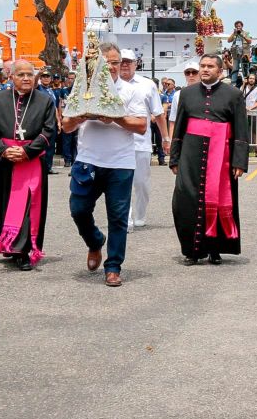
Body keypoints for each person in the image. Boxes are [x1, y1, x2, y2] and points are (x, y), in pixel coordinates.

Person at [61, 42, 148, 287]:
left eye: (115, 62)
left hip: (120, 163)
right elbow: (66, 126)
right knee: (78, 210)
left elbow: (141, 126)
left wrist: (115, 117)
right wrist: (82, 115)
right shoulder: (82, 89)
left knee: (118, 218)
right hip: (87, 161)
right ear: (94, 64)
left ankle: (113, 267)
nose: (110, 67)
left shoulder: (131, 91)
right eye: (105, 62)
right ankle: (95, 241)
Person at [169, 54, 249, 265]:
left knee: (219, 199)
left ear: (220, 71)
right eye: (202, 66)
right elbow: (179, 127)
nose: (205, 69)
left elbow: (241, 129)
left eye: (210, 66)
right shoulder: (186, 93)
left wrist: (239, 162)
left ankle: (215, 249)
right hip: (190, 155)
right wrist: (174, 158)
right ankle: (192, 250)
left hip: (221, 156)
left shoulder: (233, 94)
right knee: (185, 201)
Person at [0, 60, 56, 271]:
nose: (26, 78)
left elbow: (49, 131)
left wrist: (27, 151)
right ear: (11, 77)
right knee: (5, 203)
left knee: (28, 207)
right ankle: (8, 244)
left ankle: (23, 250)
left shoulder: (45, 100)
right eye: (21, 74)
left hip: (31, 160)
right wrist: (3, 150)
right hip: (5, 160)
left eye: (29, 74)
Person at [120, 49, 169, 232]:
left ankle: (140, 215)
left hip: (141, 142)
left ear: (136, 64)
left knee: (141, 183)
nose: (125, 65)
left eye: (128, 62)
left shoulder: (147, 85)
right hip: (117, 143)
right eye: (122, 61)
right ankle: (126, 219)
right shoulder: (109, 83)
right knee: (121, 183)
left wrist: (165, 138)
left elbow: (159, 113)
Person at [36, 69, 60, 174]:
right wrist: (38, 74)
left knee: (51, 146)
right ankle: (40, 167)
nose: (46, 78)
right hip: (41, 121)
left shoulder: (51, 91)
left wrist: (58, 121)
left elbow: (55, 107)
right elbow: (34, 83)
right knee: (42, 145)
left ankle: (48, 167)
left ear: (50, 79)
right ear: (41, 79)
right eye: (44, 77)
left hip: (52, 121)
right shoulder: (38, 88)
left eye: (47, 77)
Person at [169, 61, 200, 136]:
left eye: (194, 72)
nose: (191, 75)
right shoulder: (177, 95)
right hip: (184, 135)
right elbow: (173, 121)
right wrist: (171, 140)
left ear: (200, 74)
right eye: (187, 73)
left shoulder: (207, 92)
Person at [242, 73, 257, 157]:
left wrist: (251, 108)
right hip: (245, 114)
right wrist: (243, 84)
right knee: (244, 132)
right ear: (247, 79)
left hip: (255, 114)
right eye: (250, 78)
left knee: (256, 133)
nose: (251, 80)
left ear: (255, 80)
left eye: (253, 78)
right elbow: (239, 98)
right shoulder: (243, 88)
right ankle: (244, 150)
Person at [227, 21, 251, 85]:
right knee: (235, 69)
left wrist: (242, 35)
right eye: (237, 26)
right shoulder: (234, 34)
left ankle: (247, 83)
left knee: (245, 69)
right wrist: (234, 33)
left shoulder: (246, 33)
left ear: (242, 26)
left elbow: (249, 41)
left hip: (244, 55)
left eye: (239, 26)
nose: (238, 27)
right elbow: (228, 40)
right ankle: (233, 83)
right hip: (236, 54)